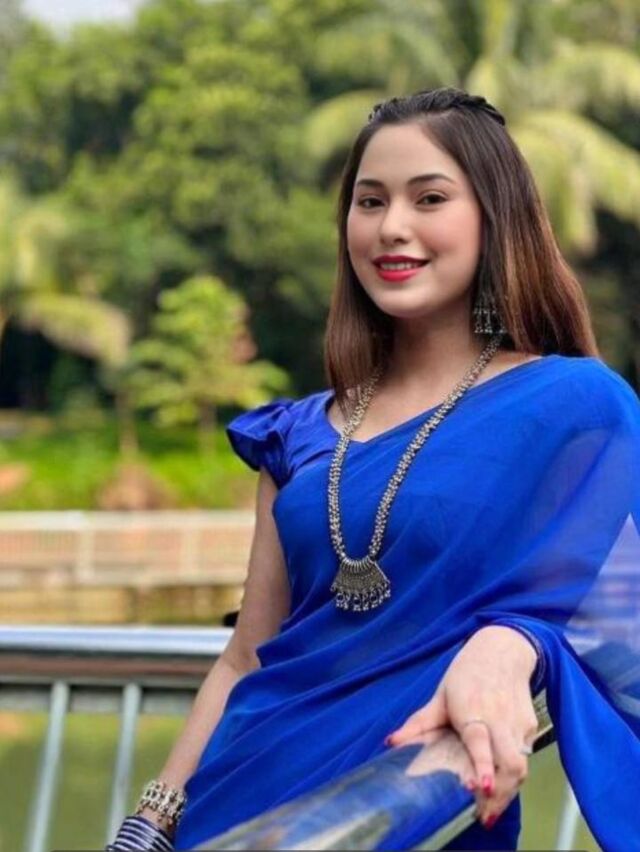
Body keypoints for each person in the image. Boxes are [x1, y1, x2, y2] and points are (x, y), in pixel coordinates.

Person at [108, 87, 640, 852]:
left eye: (430, 198)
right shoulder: (295, 433)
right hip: (237, 802)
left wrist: (512, 642)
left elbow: (617, 612)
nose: (392, 226)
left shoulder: (576, 409)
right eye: (370, 201)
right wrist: (152, 820)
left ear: (495, 217)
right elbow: (245, 658)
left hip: (407, 805)